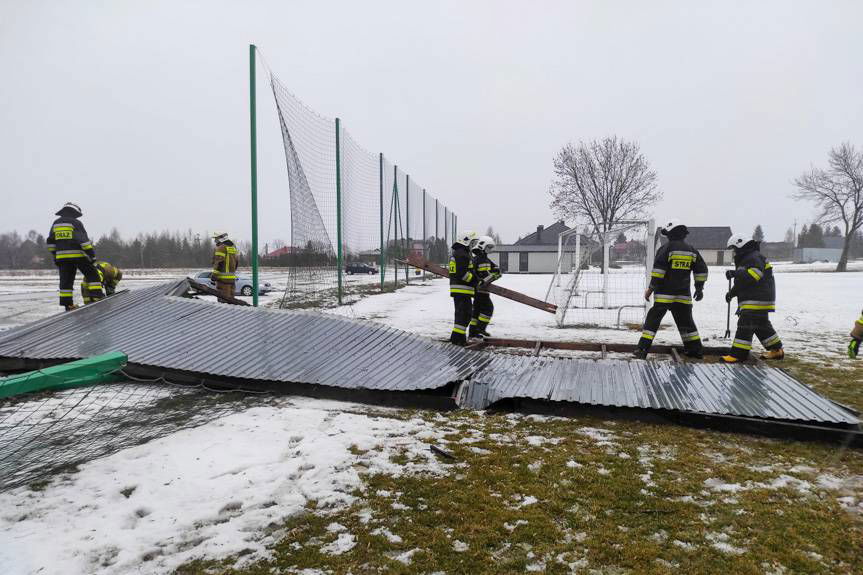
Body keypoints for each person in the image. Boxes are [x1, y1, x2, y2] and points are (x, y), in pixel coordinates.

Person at [634, 219, 708, 359]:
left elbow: (658, 271)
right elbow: (702, 270)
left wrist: (650, 288)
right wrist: (699, 288)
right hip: (683, 295)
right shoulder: (692, 250)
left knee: (653, 320)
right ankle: (695, 350)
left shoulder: (666, 249)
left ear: (670, 234)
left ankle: (642, 349)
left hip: (664, 295)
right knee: (686, 322)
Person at [721, 232, 784, 363]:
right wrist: (732, 293)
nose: (734, 253)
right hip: (760, 299)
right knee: (761, 326)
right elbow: (743, 282)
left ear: (740, 245)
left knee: (745, 325)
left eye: (734, 249)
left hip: (755, 299)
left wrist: (735, 273)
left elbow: (754, 275)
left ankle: (738, 355)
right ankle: (777, 350)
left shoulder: (753, 257)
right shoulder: (749, 257)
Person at [46, 202, 104, 311]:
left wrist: (55, 256)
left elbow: (50, 242)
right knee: (92, 274)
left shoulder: (55, 223)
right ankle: (97, 297)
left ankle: (68, 305)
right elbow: (83, 241)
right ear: (74, 213)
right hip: (78, 256)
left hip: (62, 258)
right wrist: (92, 255)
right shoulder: (75, 223)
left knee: (66, 281)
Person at [448, 231, 478, 345]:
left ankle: (456, 338)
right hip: (462, 290)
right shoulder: (462, 254)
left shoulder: (459, 253)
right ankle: (458, 340)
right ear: (466, 241)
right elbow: (463, 274)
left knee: (462, 315)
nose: (472, 245)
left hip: (460, 290)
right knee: (464, 315)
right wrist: (475, 280)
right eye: (471, 242)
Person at [469, 235, 501, 339]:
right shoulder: (480, 259)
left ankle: (473, 332)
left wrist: (494, 273)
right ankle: (480, 328)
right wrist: (493, 276)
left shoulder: (483, 259)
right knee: (488, 309)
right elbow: (481, 275)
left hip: (480, 289)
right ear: (482, 246)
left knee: (477, 311)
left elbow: (496, 268)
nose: (490, 250)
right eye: (489, 247)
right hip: (480, 289)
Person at [210, 232, 239, 299]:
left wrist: (214, 276)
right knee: (231, 301)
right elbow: (237, 262)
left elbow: (219, 262)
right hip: (231, 280)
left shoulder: (221, 248)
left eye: (216, 239)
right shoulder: (233, 247)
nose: (215, 241)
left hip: (222, 281)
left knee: (223, 301)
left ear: (221, 238)